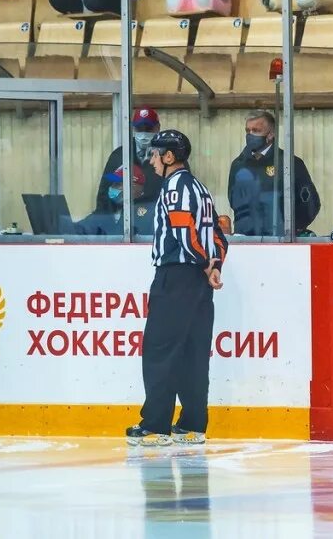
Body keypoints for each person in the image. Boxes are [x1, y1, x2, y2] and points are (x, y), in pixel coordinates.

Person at [127, 129, 229, 448]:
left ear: (170, 157)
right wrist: (213, 265)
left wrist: (203, 264)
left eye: (157, 154)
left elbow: (184, 233)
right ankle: (192, 424)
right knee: (192, 354)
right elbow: (218, 236)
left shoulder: (174, 187)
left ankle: (156, 425)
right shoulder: (199, 188)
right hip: (198, 281)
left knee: (159, 350)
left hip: (176, 277)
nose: (152, 160)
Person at [227, 110, 321, 237]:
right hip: (245, 239)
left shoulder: (289, 163)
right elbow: (233, 200)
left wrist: (293, 229)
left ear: (271, 134)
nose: (250, 135)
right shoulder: (238, 165)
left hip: (280, 239)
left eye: (256, 130)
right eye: (247, 131)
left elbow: (309, 202)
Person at [94, 107, 162, 213]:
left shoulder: (168, 156)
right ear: (133, 129)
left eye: (148, 129)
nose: (143, 134)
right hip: (124, 220)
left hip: (155, 220)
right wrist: (104, 221)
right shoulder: (119, 155)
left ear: (157, 128)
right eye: (139, 129)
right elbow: (105, 190)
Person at [75, 167, 155, 236]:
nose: (112, 187)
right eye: (112, 184)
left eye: (117, 184)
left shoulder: (149, 214)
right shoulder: (108, 209)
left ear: (134, 188)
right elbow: (85, 227)